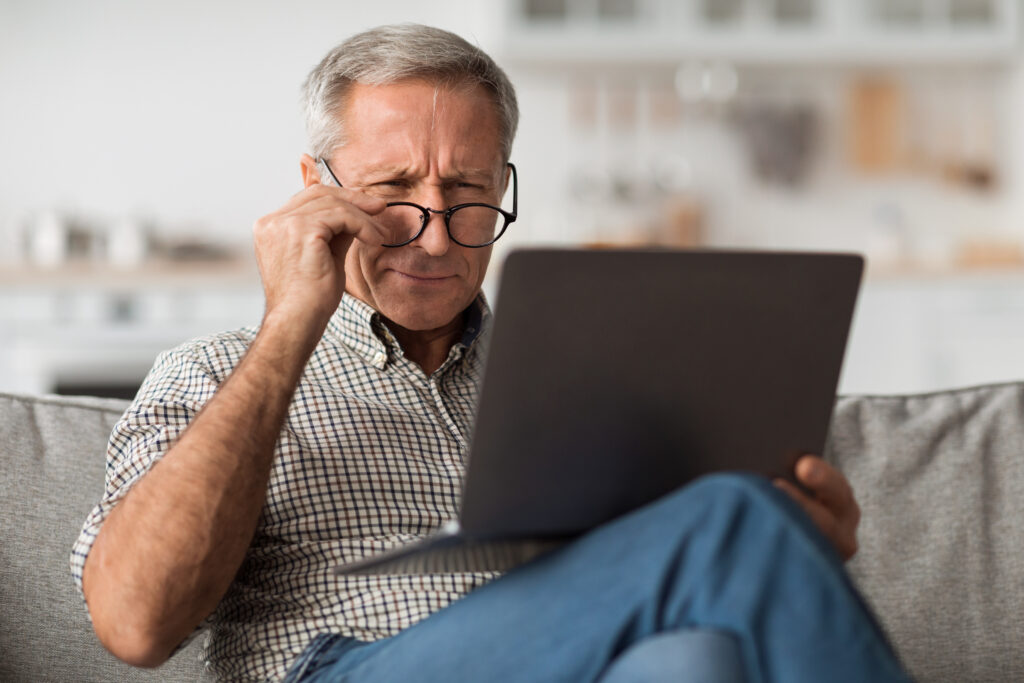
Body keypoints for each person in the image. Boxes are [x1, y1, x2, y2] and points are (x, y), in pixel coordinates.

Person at [72, 24, 908, 682]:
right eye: (393, 191)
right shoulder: (215, 373)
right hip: (340, 664)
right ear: (313, 187)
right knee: (732, 518)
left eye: (468, 193)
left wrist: (789, 546)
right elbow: (135, 623)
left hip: (578, 660)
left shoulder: (584, 375)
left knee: (693, 659)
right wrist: (290, 320)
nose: (433, 235)